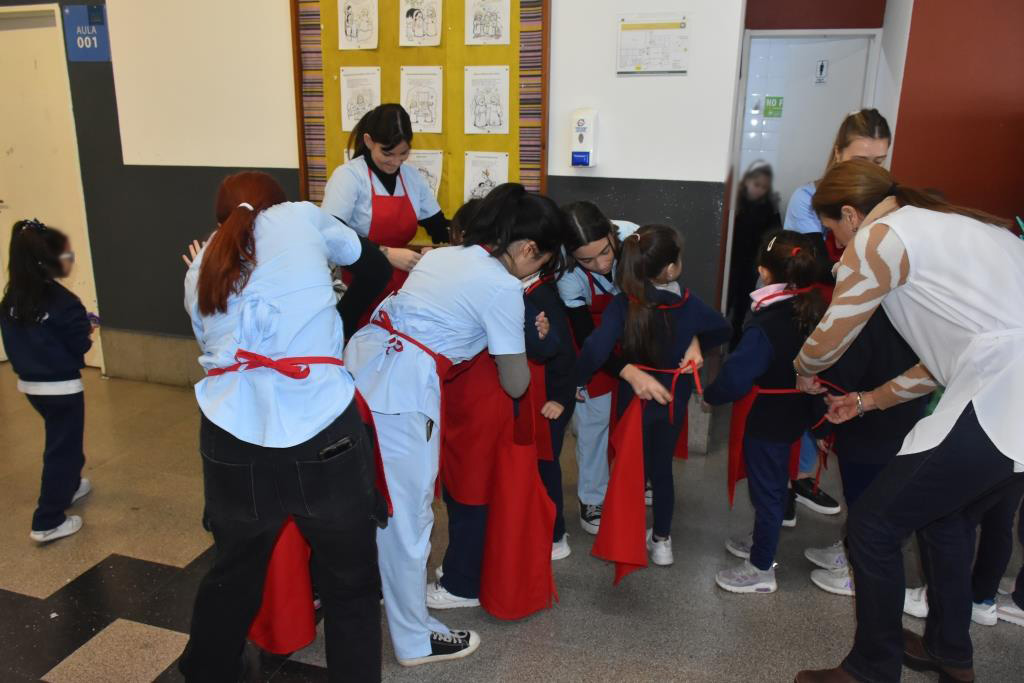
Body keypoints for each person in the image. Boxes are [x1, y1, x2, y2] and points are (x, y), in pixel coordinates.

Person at [792, 160, 1024, 683]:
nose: (835, 243)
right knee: (946, 519)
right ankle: (949, 653)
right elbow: (941, 363)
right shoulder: (951, 226)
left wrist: (803, 370)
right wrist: (867, 400)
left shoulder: (880, 240)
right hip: (1004, 389)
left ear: (850, 215)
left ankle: (872, 668)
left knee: (873, 526)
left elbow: (831, 336)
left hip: (1005, 392)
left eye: (832, 231)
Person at [343, 183, 567, 666]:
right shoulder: (503, 287)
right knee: (409, 520)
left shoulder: (446, 254)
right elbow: (514, 382)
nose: (539, 271)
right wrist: (522, 340)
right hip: (402, 393)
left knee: (366, 499)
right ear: (528, 249)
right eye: (543, 262)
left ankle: (382, 592)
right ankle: (414, 640)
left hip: (359, 369)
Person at [178, 172, 384, 682]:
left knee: (234, 570)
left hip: (230, 434)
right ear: (277, 203)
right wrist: (332, 327)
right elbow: (374, 267)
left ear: (218, 219)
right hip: (321, 429)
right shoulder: (301, 217)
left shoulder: (200, 267)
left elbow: (212, 344)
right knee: (350, 583)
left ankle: (207, 672)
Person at [575, 224, 730, 567]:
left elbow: (595, 348)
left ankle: (624, 535)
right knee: (662, 470)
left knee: (629, 467)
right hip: (673, 395)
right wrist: (696, 342)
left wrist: (579, 377)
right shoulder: (688, 304)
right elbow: (723, 327)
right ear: (672, 268)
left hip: (634, 399)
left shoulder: (622, 304)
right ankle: (662, 541)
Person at [704, 231, 826, 593]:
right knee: (774, 484)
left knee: (768, 491)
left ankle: (761, 569)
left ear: (763, 272)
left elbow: (737, 374)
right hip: (794, 410)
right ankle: (762, 540)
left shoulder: (767, 322)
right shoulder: (812, 307)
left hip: (767, 415)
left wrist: (712, 393)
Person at [784, 109, 892, 516]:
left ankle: (811, 479)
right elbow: (807, 262)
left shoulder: (888, 201)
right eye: (861, 159)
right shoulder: (808, 198)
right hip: (821, 309)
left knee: (844, 404)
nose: (870, 170)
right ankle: (793, 482)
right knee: (810, 397)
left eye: (880, 162)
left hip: (863, 317)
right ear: (838, 152)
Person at [803, 309, 931, 597]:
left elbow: (836, 377)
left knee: (864, 500)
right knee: (877, 496)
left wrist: (821, 425)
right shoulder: (921, 312)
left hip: (865, 421)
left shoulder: (867, 315)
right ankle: (853, 550)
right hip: (904, 417)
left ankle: (858, 571)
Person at [1, 219, 94, 543]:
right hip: (62, 389)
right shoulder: (63, 302)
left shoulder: (13, 297)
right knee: (62, 450)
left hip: (30, 386)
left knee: (62, 440)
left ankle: (69, 485)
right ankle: (48, 520)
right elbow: (79, 344)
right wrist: (86, 331)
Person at [322, 104, 449, 328]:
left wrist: (441, 252)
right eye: (387, 153)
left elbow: (440, 228)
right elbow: (332, 235)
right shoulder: (349, 176)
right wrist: (385, 253)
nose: (395, 162)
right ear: (369, 141)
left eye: (403, 154)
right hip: (360, 287)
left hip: (402, 289)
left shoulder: (411, 177)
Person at [558, 202, 638, 536]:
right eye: (587, 259)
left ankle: (636, 481)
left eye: (605, 252)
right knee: (592, 427)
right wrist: (625, 370)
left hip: (635, 339)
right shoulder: (568, 275)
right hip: (594, 353)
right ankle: (592, 497)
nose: (601, 264)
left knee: (634, 420)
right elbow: (587, 339)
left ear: (611, 234)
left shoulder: (635, 241)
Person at [727, 161, 781, 348]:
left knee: (744, 303)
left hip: (753, 263)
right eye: (756, 185)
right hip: (731, 259)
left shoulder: (768, 208)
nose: (759, 190)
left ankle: (736, 342)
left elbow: (774, 235)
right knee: (727, 299)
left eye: (764, 187)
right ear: (747, 182)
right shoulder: (735, 201)